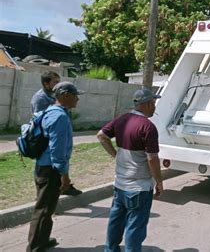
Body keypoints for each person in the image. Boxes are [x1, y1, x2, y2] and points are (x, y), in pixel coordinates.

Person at [97, 88, 164, 251]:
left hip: (120, 184)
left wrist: (116, 155)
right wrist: (159, 182)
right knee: (135, 229)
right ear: (147, 103)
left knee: (115, 222)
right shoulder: (148, 127)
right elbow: (152, 158)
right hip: (139, 188)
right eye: (154, 103)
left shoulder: (122, 119)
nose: (155, 107)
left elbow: (101, 135)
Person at [27, 81, 84, 251]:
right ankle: (35, 247)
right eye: (75, 95)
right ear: (65, 95)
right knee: (44, 209)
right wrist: (64, 176)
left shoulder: (51, 112)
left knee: (46, 207)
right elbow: (57, 151)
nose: (78, 99)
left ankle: (42, 240)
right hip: (51, 170)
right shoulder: (59, 116)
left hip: (43, 166)